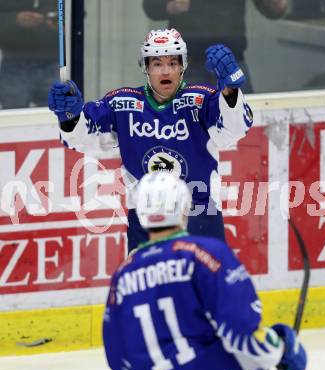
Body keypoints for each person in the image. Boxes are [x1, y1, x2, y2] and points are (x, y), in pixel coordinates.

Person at [48, 28, 254, 252]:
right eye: (157, 64)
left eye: (173, 63)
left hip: (200, 215)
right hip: (146, 219)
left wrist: (230, 91)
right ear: (146, 67)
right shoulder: (122, 104)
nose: (166, 71)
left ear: (183, 66)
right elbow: (81, 139)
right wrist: (69, 116)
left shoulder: (202, 100)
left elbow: (235, 129)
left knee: (207, 286)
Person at [102, 171, 307, 370]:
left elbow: (119, 360)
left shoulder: (123, 275)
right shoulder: (205, 254)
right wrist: (281, 348)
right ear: (184, 208)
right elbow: (242, 331)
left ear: (141, 212)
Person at [143, 0, 290, 92]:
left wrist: (277, 4)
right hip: (188, 65)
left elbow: (276, 10)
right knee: (186, 132)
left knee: (243, 132)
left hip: (230, 64)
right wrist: (170, 6)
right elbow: (150, 6)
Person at [0, 0, 58, 109]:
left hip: (54, 63)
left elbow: (78, 16)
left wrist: (65, 24)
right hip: (14, 64)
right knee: (13, 118)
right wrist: (15, 20)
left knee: (57, 117)